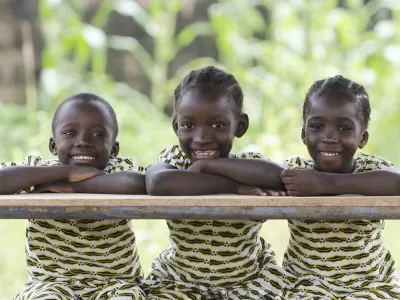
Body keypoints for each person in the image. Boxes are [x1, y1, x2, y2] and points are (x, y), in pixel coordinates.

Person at [144, 66, 294, 300]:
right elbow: (157, 183)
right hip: (181, 283)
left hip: (248, 282)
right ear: (176, 126)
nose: (202, 138)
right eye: (188, 126)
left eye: (218, 125)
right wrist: (233, 188)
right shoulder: (174, 162)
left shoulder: (248, 166)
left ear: (240, 126)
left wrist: (207, 166)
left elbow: (281, 178)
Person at [0, 93, 146, 300]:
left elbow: (137, 183)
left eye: (97, 134)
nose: (83, 141)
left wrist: (70, 186)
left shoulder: (120, 169)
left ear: (114, 150)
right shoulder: (38, 172)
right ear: (53, 145)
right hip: (50, 283)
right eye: (70, 132)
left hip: (117, 283)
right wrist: (64, 173)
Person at [281, 75, 400, 299]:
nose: (329, 137)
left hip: (370, 284)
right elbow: (263, 175)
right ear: (304, 135)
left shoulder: (373, 169)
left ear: (362, 138)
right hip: (305, 284)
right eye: (316, 126)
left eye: (344, 128)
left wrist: (325, 183)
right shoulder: (297, 171)